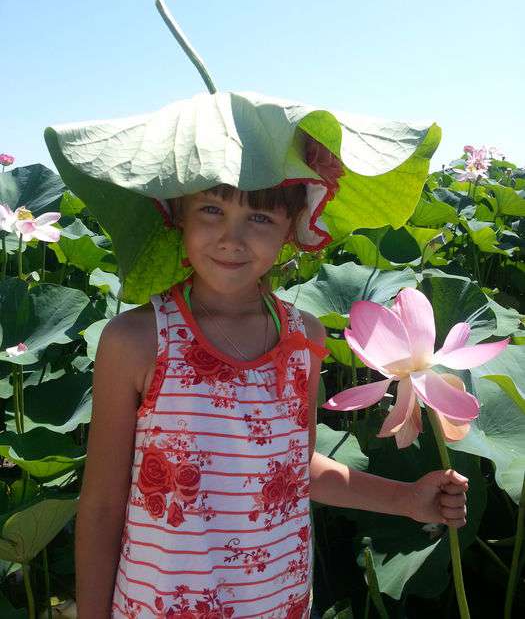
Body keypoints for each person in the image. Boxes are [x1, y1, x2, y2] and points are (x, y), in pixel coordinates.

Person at [74, 178, 469, 619]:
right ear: (179, 213)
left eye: (260, 217)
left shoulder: (305, 338)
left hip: (276, 602)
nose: (231, 237)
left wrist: (408, 500)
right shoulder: (137, 339)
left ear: (292, 228)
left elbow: (294, 469)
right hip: (159, 604)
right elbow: (102, 505)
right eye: (211, 210)